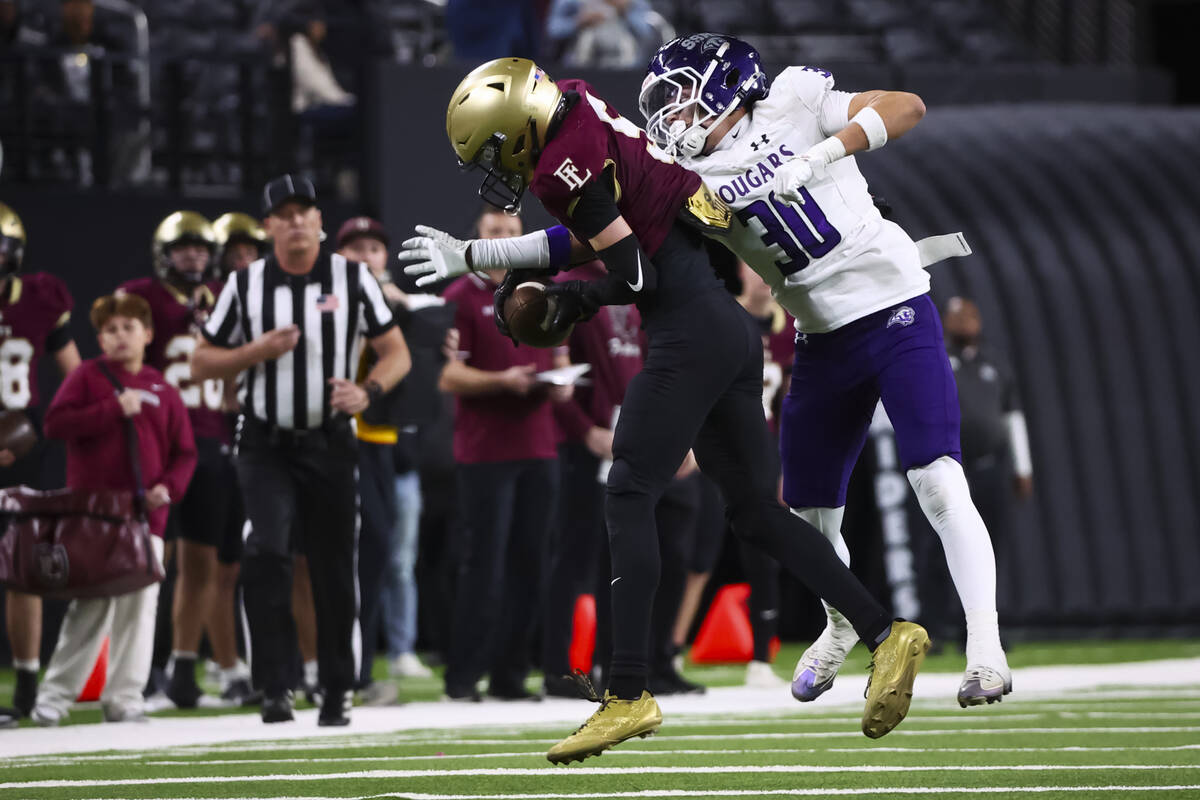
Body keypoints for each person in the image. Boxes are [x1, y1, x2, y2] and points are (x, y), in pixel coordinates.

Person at [400, 57, 929, 761]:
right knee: (756, 514)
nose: (499, 167)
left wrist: (565, 294)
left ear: (521, 123)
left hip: (687, 333)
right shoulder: (582, 110)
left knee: (627, 493)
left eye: (496, 147)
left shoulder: (564, 161)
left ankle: (626, 693)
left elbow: (632, 270)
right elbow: (613, 232)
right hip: (727, 328)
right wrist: (482, 254)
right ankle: (887, 633)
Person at [636, 33, 1006, 707]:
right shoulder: (690, 177)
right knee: (809, 514)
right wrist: (493, 253)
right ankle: (839, 626)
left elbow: (908, 106)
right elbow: (612, 230)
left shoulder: (793, 100)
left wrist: (823, 153)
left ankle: (986, 648)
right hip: (820, 336)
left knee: (937, 480)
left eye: (683, 101)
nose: (674, 119)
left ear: (722, 89)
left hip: (894, 306)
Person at [192, 174, 409, 726]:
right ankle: (275, 684)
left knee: (334, 564)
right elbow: (202, 361)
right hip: (264, 441)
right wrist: (254, 351)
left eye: (303, 212)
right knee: (267, 553)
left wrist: (368, 390)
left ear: (319, 222)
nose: (294, 222)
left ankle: (336, 687)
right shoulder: (245, 286)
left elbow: (396, 352)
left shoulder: (353, 278)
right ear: (267, 227)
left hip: (331, 439)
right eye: (282, 214)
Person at [31, 293, 197, 725]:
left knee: (140, 606)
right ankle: (55, 696)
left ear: (148, 334)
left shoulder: (163, 387)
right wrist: (110, 409)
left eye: (128, 328)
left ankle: (125, 698)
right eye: (110, 330)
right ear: (100, 338)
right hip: (95, 516)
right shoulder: (87, 376)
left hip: (147, 518)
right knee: (91, 605)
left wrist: (169, 487)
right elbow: (55, 424)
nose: (120, 336)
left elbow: (185, 453)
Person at [119, 211, 255, 708]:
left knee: (205, 562)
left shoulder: (224, 295)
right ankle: (141, 670)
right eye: (184, 248)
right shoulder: (141, 297)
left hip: (214, 439)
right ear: (165, 254)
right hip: (159, 443)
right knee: (148, 560)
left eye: (201, 247)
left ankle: (183, 669)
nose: (194, 256)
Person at [438, 206, 573, 702]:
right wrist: (502, 381)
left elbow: (559, 355)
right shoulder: (459, 297)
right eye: (496, 232)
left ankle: (510, 677)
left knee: (530, 564)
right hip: (485, 452)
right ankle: (462, 677)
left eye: (512, 233)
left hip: (539, 446)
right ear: (478, 236)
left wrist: (559, 385)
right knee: (483, 567)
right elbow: (446, 376)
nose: (504, 240)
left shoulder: (540, 291)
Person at [0, 201, 81, 725]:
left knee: (23, 570)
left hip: (19, 446)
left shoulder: (39, 297)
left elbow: (75, 377)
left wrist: (35, 431)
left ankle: (27, 685)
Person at [922, 296, 1031, 646]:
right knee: (941, 550)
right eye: (958, 317)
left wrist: (1022, 466)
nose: (966, 323)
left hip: (989, 468)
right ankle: (937, 628)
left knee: (987, 550)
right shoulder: (937, 359)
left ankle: (983, 631)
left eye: (971, 316)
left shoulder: (994, 363)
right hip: (950, 470)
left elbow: (1011, 414)